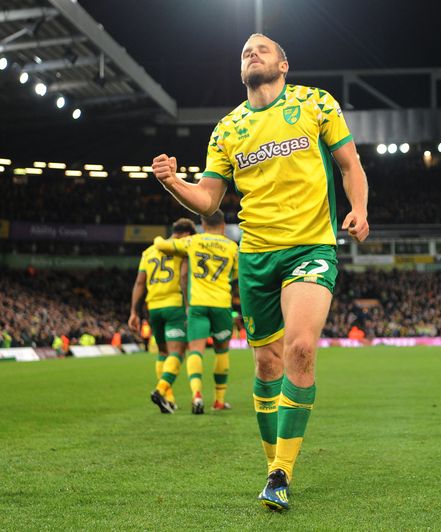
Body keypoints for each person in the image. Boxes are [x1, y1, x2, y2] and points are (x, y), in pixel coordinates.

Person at [151, 33, 369, 511]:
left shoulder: (316, 103)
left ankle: (280, 472)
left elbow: (350, 163)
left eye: (262, 49)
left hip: (310, 246)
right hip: (255, 256)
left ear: (284, 63)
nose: (251, 53)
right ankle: (275, 464)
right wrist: (173, 183)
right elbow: (208, 199)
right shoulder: (227, 129)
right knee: (267, 363)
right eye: (245, 52)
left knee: (301, 347)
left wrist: (359, 208)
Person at [155, 209, 239, 414]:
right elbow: (236, 272)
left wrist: (158, 237)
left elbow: (162, 245)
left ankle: (197, 395)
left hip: (197, 305)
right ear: (223, 226)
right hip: (221, 304)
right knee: (222, 350)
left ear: (202, 222)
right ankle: (219, 400)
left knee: (195, 351)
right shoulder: (231, 246)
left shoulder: (193, 242)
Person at [129, 218, 197, 414]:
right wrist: (187, 305)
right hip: (174, 306)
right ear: (185, 235)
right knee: (177, 352)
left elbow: (140, 283)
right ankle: (160, 391)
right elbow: (184, 277)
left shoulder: (149, 252)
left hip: (153, 308)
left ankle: (170, 399)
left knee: (162, 353)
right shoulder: (181, 249)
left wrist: (134, 312)